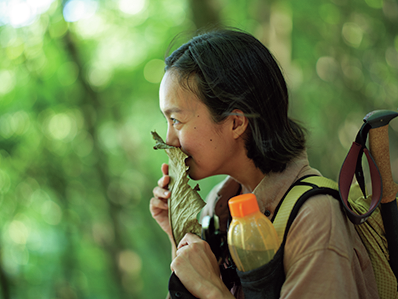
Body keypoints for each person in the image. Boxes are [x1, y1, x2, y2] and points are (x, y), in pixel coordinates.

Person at [150, 28, 379, 299]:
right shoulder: (216, 209)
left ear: (236, 122)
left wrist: (212, 291)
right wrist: (178, 238)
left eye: (176, 120)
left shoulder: (315, 217)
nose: (168, 139)